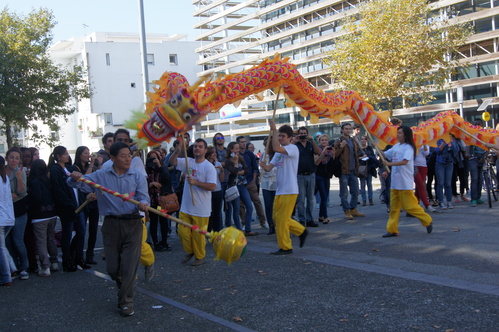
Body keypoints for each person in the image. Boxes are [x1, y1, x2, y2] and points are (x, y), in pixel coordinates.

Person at [68, 141, 149, 317]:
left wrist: (144, 204)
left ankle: (126, 301)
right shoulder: (101, 176)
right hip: (111, 225)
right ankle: (124, 286)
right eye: (123, 156)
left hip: (134, 223)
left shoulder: (137, 176)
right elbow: (77, 184)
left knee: (129, 267)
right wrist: (73, 176)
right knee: (113, 269)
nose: (128, 159)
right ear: (112, 158)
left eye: (129, 155)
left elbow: (144, 197)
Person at [260, 121, 308, 255]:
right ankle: (301, 231)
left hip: (290, 189)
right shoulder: (278, 153)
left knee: (282, 219)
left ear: (290, 138)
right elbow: (270, 169)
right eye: (279, 136)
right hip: (280, 190)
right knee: (278, 218)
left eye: (282, 136)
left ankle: (286, 247)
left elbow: (276, 148)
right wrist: (264, 166)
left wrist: (274, 131)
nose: (280, 138)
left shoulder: (292, 148)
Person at [168, 138, 217, 266]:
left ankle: (200, 257)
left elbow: (212, 186)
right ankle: (190, 251)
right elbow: (171, 161)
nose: (197, 148)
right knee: (183, 233)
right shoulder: (188, 162)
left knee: (198, 236)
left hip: (201, 208)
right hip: (186, 206)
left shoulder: (209, 167)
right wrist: (178, 150)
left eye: (200, 146)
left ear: (205, 150)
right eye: (195, 146)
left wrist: (196, 183)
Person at [378, 126, 433, 237]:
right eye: (397, 133)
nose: (397, 135)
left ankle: (427, 220)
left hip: (404, 183)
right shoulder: (396, 146)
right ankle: (392, 230)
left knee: (409, 207)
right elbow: (385, 155)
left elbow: (404, 161)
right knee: (394, 209)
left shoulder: (409, 148)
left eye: (400, 133)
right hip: (395, 183)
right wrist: (378, 148)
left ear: (405, 135)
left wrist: (390, 164)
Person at [48, 146, 80, 272]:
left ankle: (72, 256)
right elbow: (58, 188)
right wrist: (68, 203)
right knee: (67, 233)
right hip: (66, 206)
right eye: (65, 154)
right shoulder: (56, 169)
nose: (67, 156)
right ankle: (67, 259)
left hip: (73, 203)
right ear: (58, 156)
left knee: (78, 232)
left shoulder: (67, 168)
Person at [27, 159, 59, 277]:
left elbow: (36, 198)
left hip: (39, 215)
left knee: (41, 242)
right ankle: (54, 262)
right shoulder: (48, 180)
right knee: (51, 238)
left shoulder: (35, 181)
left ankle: (45, 267)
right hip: (52, 213)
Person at [73, 146, 100, 267]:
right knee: (81, 230)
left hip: (93, 199)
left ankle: (90, 254)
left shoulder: (93, 168)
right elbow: (85, 180)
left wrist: (97, 165)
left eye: (89, 153)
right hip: (82, 200)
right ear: (79, 155)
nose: (88, 155)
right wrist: (92, 164)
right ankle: (78, 255)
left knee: (93, 229)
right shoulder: (75, 168)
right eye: (85, 153)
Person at [5, 147, 29, 280]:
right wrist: (8, 194)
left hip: (18, 211)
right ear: (7, 158)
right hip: (4, 211)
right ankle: (13, 267)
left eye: (17, 158)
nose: (14, 160)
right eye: (11, 157)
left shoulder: (20, 172)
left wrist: (19, 178)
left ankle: (24, 267)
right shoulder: (2, 171)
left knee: (18, 240)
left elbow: (22, 192)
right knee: (7, 242)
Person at [334, 123, 366, 220]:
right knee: (344, 193)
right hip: (344, 171)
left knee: (355, 191)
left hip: (353, 170)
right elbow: (334, 155)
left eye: (349, 129)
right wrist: (341, 146)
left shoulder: (353, 140)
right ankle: (346, 211)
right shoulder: (338, 141)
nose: (348, 130)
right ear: (342, 130)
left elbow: (358, 153)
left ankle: (353, 208)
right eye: (346, 129)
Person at [237, 136, 267, 229]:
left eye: (244, 142)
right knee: (241, 204)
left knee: (257, 201)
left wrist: (254, 181)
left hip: (250, 181)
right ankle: (244, 222)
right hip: (240, 182)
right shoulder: (235, 154)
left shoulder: (249, 154)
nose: (243, 143)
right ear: (238, 143)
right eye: (241, 142)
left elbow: (255, 168)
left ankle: (262, 220)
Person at [145, 150, 172, 251]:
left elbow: (167, 180)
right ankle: (155, 242)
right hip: (152, 200)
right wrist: (151, 184)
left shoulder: (163, 169)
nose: (153, 160)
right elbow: (142, 185)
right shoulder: (146, 171)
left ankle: (164, 241)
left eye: (155, 157)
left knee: (164, 220)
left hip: (162, 199)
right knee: (154, 222)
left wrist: (159, 166)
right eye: (151, 158)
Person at [295, 127, 321, 227]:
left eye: (305, 133)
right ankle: (302, 219)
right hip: (300, 175)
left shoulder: (310, 144)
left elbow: (318, 152)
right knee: (301, 200)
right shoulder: (296, 145)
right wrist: (295, 140)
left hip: (311, 174)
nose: (303, 135)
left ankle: (309, 219)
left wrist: (312, 140)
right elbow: (287, 150)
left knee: (310, 199)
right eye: (301, 133)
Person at [0, 156, 15, 286]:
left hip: (1, 218)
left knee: (1, 248)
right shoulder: (4, 179)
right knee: (2, 247)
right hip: (8, 217)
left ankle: (6, 276)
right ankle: (12, 268)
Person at [224, 142, 245, 231]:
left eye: (238, 148)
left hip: (237, 185)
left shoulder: (241, 158)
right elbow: (233, 172)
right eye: (236, 148)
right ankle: (228, 228)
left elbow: (246, 169)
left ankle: (239, 229)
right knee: (229, 209)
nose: (238, 150)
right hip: (229, 186)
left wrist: (239, 170)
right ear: (231, 150)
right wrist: (236, 162)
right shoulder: (228, 161)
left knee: (236, 209)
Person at [314, 134, 335, 224]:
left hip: (327, 175)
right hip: (318, 175)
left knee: (325, 196)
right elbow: (316, 162)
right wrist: (323, 152)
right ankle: (325, 217)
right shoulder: (316, 150)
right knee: (323, 196)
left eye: (326, 140)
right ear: (319, 141)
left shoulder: (329, 151)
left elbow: (332, 162)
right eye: (322, 140)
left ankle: (321, 216)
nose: (324, 141)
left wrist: (333, 154)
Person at [435, 136, 459, 210]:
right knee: (440, 183)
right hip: (440, 163)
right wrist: (444, 143)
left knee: (448, 184)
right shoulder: (438, 139)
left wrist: (453, 143)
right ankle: (441, 202)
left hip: (449, 163)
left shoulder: (452, 139)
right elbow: (437, 151)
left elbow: (456, 151)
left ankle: (449, 201)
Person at [467, 119, 487, 207]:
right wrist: (467, 154)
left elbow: (488, 147)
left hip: (482, 159)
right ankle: (473, 199)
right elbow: (467, 146)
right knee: (474, 179)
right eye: (475, 124)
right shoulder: (471, 135)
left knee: (480, 179)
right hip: (473, 159)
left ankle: (478, 197)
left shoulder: (485, 135)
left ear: (482, 125)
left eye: (478, 124)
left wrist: (484, 156)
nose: (477, 126)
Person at [260, 136, 277, 235]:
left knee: (276, 205)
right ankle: (271, 224)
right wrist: (264, 169)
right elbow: (261, 169)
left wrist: (268, 170)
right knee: (268, 205)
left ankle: (277, 223)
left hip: (275, 182)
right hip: (266, 183)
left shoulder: (277, 155)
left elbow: (276, 169)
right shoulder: (263, 155)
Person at [414, 143, 436, 213]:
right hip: (414, 166)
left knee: (418, 187)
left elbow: (426, 153)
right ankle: (427, 205)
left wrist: (424, 144)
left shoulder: (425, 142)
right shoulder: (411, 141)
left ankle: (415, 205)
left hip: (423, 165)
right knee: (421, 185)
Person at [206, 147, 224, 232]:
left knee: (217, 212)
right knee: (210, 213)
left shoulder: (217, 163)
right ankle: (208, 230)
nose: (215, 154)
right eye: (213, 152)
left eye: (215, 152)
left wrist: (222, 170)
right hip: (208, 191)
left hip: (218, 190)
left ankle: (217, 231)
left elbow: (222, 179)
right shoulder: (205, 164)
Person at [358, 135, 377, 206]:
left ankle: (370, 199)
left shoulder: (369, 148)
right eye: (362, 139)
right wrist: (362, 157)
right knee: (362, 185)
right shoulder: (358, 149)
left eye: (364, 139)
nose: (363, 140)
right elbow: (356, 158)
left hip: (369, 168)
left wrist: (368, 157)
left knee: (369, 184)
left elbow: (373, 157)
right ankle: (364, 200)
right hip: (362, 169)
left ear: (366, 140)